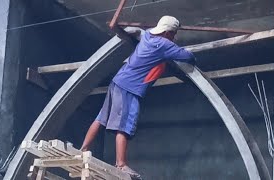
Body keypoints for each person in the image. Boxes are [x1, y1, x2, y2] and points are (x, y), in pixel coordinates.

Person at [80, 16, 196, 179]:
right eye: (173, 34)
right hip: (130, 88)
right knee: (125, 124)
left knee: (101, 118)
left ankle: (83, 149)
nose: (174, 37)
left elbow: (140, 33)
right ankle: (121, 164)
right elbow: (188, 57)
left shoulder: (148, 35)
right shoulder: (164, 45)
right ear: (168, 32)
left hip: (118, 81)